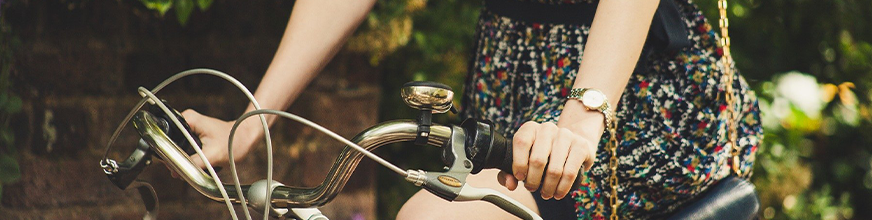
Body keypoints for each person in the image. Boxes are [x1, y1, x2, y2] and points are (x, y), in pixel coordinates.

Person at [181, 0, 763, 219]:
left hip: (630, 83)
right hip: (511, 77)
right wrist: (254, 120)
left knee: (438, 219)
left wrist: (584, 117)